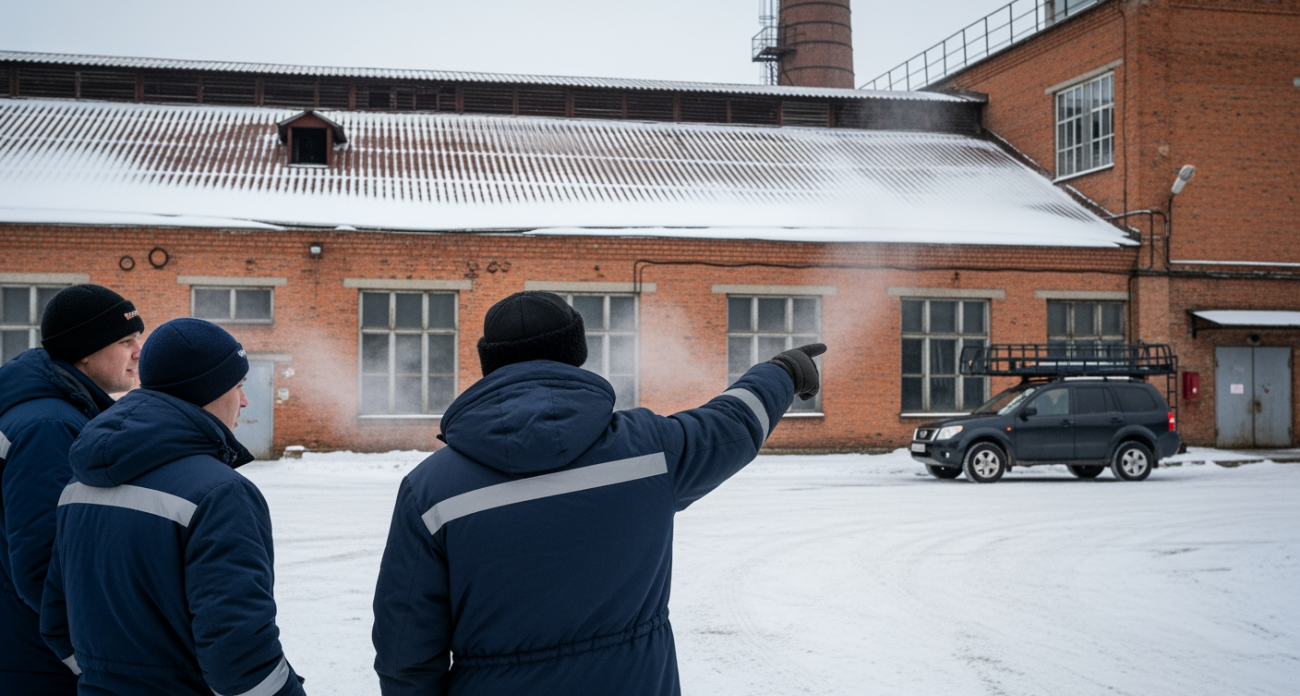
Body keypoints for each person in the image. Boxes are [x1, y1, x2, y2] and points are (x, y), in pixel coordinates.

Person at [372, 291, 826, 695]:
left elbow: (404, 652)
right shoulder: (650, 450)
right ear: (577, 351)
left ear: (490, 363)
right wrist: (783, 372)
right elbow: (733, 424)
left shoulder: (430, 491)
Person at [40, 318, 307, 696]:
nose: (245, 401)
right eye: (239, 386)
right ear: (207, 391)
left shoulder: (78, 482)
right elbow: (239, 652)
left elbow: (55, 620)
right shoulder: (219, 493)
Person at [0, 284, 144, 694]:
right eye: (125, 341)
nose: (138, 352)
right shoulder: (50, 425)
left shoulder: (56, 410)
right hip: (35, 657)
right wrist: (85, 658)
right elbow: (43, 564)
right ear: (84, 350)